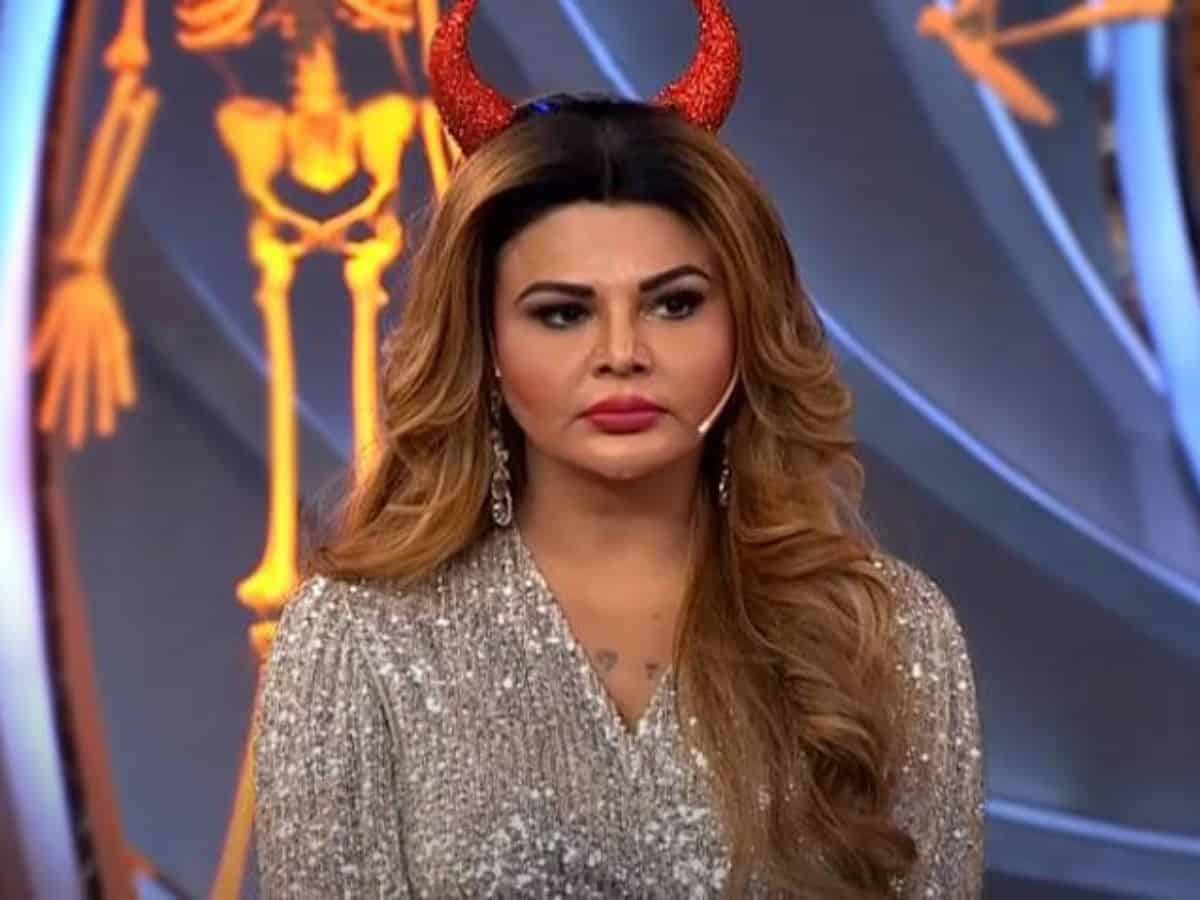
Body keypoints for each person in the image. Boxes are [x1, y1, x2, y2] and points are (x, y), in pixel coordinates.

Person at [252, 1, 985, 896]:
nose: (622, 352)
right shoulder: (358, 637)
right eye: (563, 313)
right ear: (484, 345)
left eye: (674, 304)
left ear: (746, 328)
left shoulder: (888, 634)